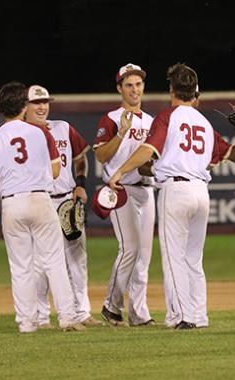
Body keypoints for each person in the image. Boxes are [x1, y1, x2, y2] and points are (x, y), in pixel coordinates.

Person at [108, 63, 235, 329]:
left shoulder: (167, 117)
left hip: (176, 191)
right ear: (197, 93)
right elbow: (234, 155)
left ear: (172, 90)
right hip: (201, 193)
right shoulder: (205, 124)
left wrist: (119, 171)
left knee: (174, 257)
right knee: (193, 259)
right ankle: (199, 316)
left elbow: (146, 150)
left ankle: (181, 317)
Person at [0, 81, 85, 333]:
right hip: (40, 199)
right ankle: (67, 317)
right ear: (24, 106)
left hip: (11, 203)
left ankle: (27, 323)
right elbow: (56, 169)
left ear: (0, 109)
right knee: (54, 260)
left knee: (21, 266)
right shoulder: (41, 132)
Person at [23, 84, 101, 328]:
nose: (42, 106)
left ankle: (82, 312)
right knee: (41, 263)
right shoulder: (21, 134)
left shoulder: (63, 128)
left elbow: (81, 158)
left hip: (67, 198)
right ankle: (41, 316)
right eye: (36, 102)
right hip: (41, 201)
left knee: (77, 259)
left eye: (45, 102)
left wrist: (80, 185)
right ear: (24, 106)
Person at [93, 63, 155, 327]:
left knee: (144, 256)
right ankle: (111, 305)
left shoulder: (152, 122)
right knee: (130, 248)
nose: (134, 89)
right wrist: (120, 134)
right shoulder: (111, 118)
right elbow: (101, 155)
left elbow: (149, 161)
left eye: (138, 84)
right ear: (120, 88)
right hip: (121, 191)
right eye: (128, 84)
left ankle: (139, 314)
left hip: (146, 189)